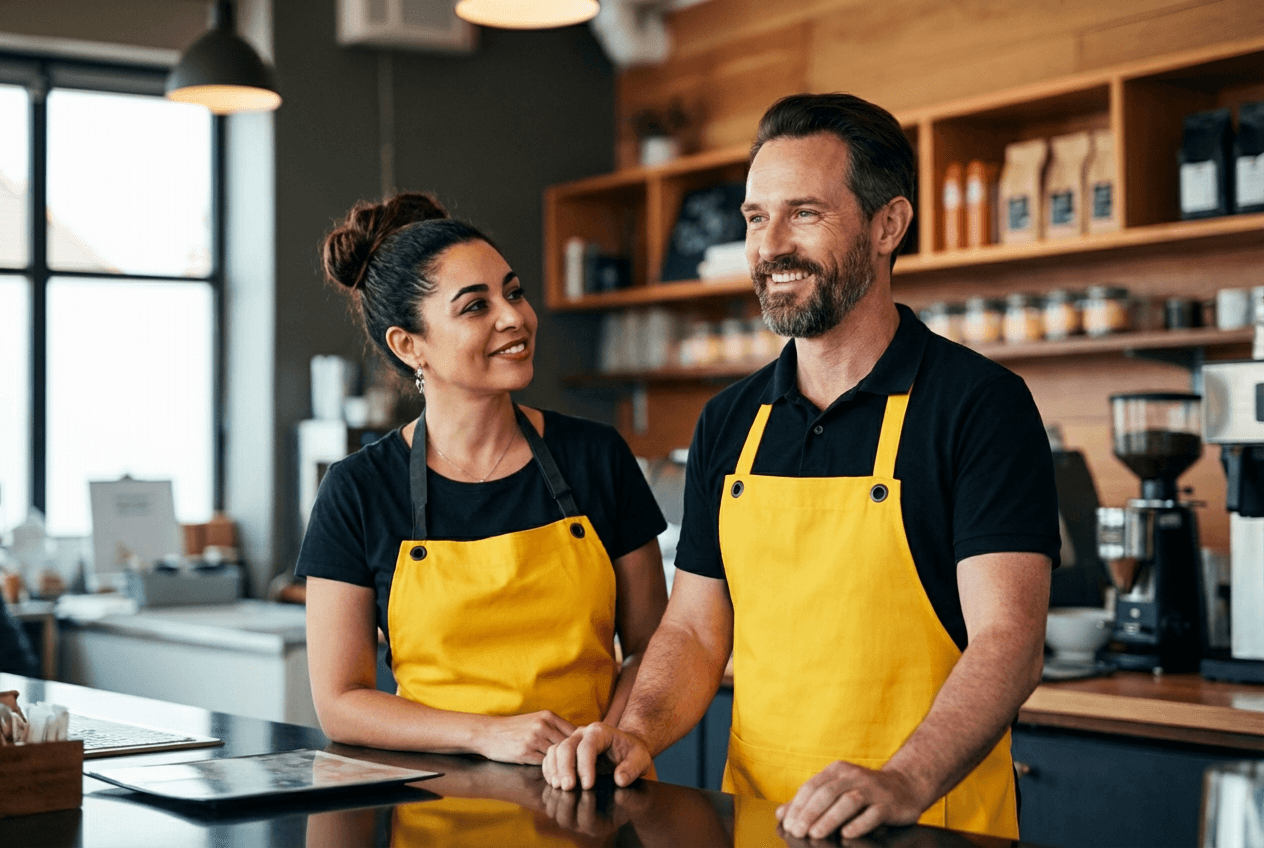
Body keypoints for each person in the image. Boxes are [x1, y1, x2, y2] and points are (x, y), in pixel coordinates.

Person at [543, 93, 1058, 841]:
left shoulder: (979, 406)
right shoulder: (731, 421)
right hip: (760, 823)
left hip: (926, 825)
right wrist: (637, 733)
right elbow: (692, 630)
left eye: (804, 213)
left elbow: (1009, 639)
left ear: (889, 225)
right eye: (756, 218)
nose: (770, 246)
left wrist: (904, 779)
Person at [297, 192, 668, 764]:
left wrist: (611, 738)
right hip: (431, 803)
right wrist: (485, 733)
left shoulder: (596, 457)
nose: (514, 316)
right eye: (475, 307)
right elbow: (341, 702)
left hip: (587, 789)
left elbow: (650, 648)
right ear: (409, 345)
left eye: (513, 292)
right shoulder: (358, 490)